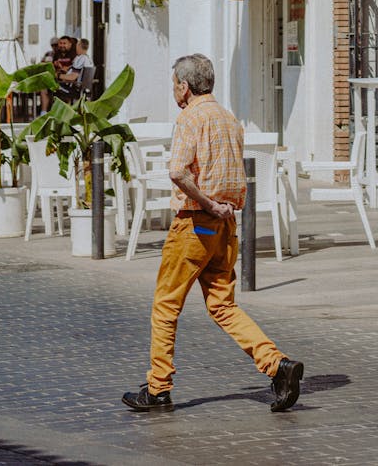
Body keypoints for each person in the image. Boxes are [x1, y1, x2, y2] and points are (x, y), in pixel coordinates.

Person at [122, 53, 303, 414]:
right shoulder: (229, 118)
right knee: (222, 305)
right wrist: (221, 207)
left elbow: (178, 173)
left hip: (195, 223)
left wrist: (205, 202)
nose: (174, 89)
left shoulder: (190, 118)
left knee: (165, 306)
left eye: (174, 83)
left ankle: (158, 387)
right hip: (225, 226)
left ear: (184, 87)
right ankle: (276, 365)